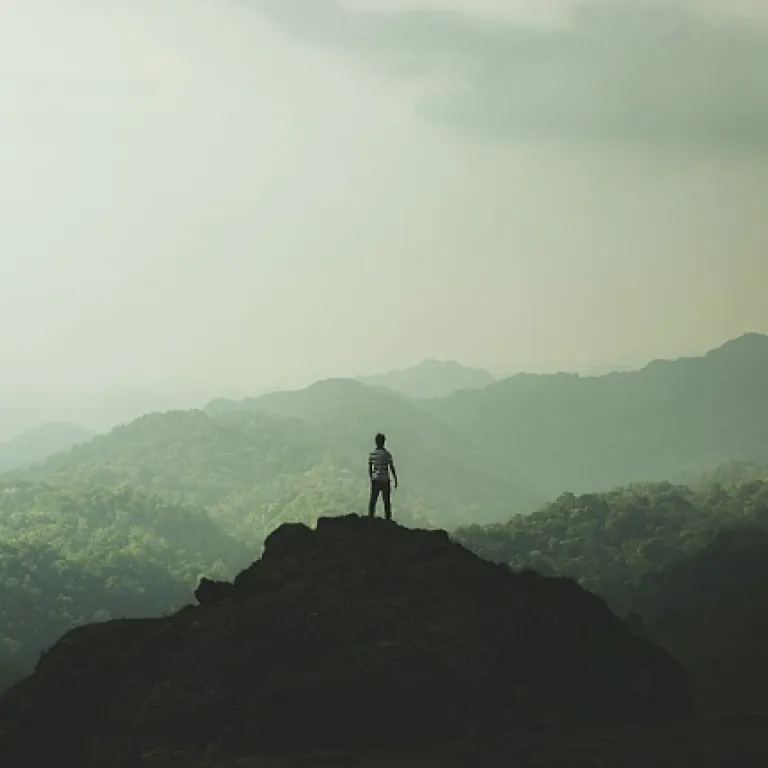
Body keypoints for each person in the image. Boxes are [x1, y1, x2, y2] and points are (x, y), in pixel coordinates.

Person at [368, 432, 398, 520]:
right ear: (384, 442)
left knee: (373, 500)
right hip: (385, 479)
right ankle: (388, 519)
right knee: (387, 502)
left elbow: (370, 468)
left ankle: (370, 518)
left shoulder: (372, 454)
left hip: (375, 479)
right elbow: (391, 467)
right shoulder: (387, 454)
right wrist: (395, 479)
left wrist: (371, 478)